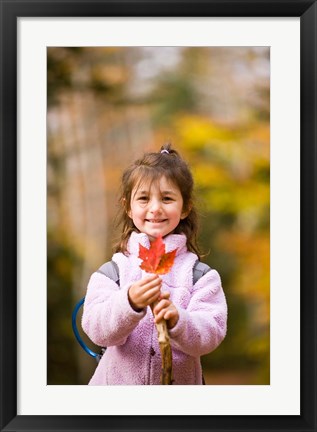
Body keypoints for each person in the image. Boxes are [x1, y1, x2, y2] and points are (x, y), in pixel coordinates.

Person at [82, 144, 227, 385]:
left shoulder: (200, 276)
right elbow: (96, 329)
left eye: (167, 198)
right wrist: (128, 302)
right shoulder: (113, 272)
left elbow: (212, 333)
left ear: (185, 208)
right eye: (144, 198)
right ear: (128, 207)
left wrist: (179, 321)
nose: (155, 208)